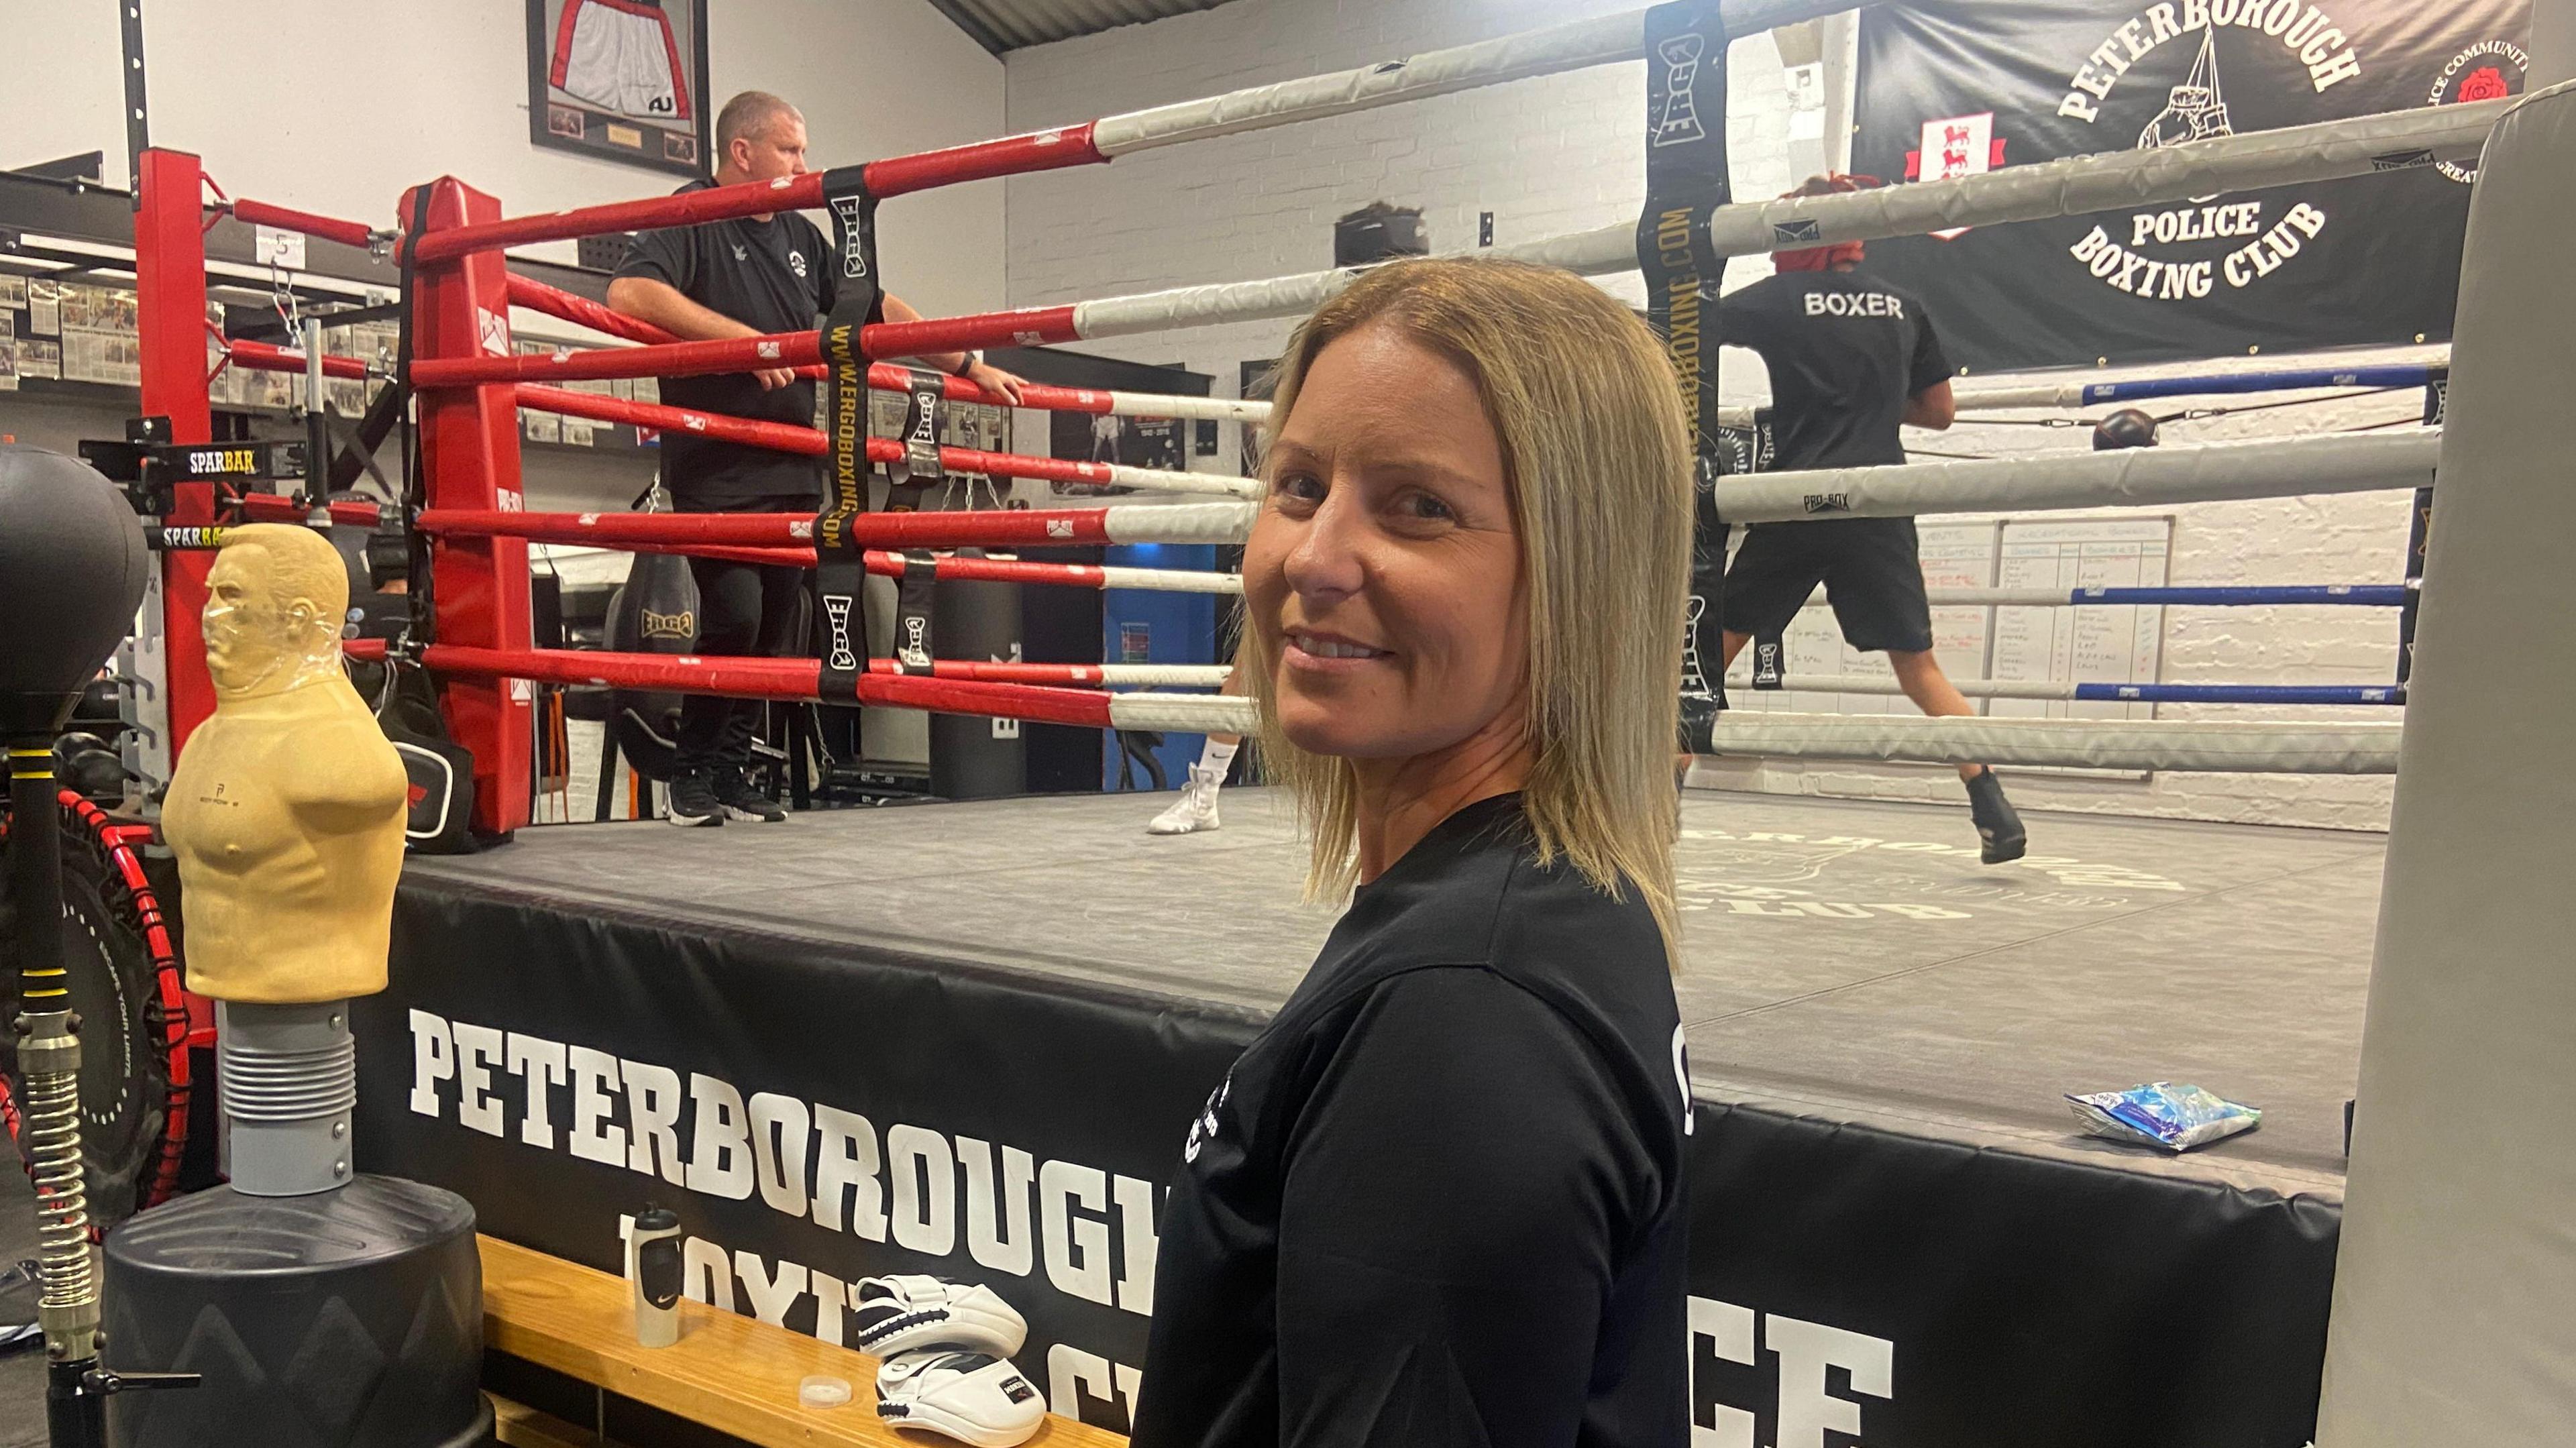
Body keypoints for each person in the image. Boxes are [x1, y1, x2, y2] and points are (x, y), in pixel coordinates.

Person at [1130, 258, 1695, 1446]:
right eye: (1298, 483)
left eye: (1418, 506)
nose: (1313, 557)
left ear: (1575, 570)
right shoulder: (1538, 906)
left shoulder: (1461, 1015)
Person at [606, 89, 1028, 826]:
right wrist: (739, 340)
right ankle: (688, 773)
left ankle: (730, 771)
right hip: (719, 465)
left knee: (778, 625)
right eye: (791, 150)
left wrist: (967, 362)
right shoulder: (693, 214)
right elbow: (631, 291)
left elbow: (874, 305)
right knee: (734, 617)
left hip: (796, 465)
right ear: (744, 152)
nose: (806, 163)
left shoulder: (802, 238)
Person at [1711, 174, 2027, 864]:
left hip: (1800, 499)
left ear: (1794, 234)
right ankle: (1994, 808)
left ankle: (1654, 810)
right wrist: (1874, 399)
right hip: (1878, 502)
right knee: (1919, 668)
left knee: (1708, 660)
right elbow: (1940, 412)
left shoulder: (1779, 297)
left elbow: (1685, 335)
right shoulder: (1901, 304)